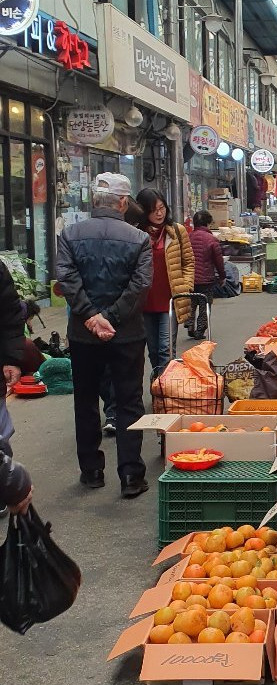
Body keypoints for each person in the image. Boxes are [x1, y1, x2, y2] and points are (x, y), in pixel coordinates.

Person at [57, 173, 152, 498]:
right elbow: (140, 285)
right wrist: (110, 317)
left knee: (85, 401)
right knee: (128, 401)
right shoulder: (139, 239)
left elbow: (67, 278)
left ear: (94, 201)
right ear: (124, 203)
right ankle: (130, 475)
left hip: (83, 335)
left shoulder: (70, 234)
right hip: (126, 334)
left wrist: (91, 316)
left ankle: (92, 471)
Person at [135, 188, 194, 371]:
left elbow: (189, 261)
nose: (159, 213)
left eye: (162, 208)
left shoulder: (176, 231)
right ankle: (159, 386)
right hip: (145, 302)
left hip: (170, 300)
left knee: (166, 349)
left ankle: (167, 390)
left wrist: (186, 285)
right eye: (153, 210)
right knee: (152, 350)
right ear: (144, 211)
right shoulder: (136, 234)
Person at [101, 196, 144, 434]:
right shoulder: (135, 240)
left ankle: (115, 412)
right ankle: (116, 413)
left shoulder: (136, 239)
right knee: (117, 372)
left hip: (103, 318)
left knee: (113, 372)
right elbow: (138, 284)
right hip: (121, 319)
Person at [187, 210, 225, 340]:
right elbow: (218, 260)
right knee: (204, 305)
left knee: (191, 302)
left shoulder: (188, 237)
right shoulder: (211, 239)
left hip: (190, 278)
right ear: (208, 223)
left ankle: (189, 322)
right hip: (206, 279)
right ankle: (200, 330)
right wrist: (222, 276)